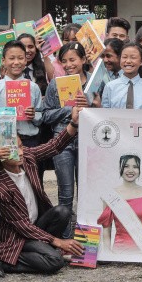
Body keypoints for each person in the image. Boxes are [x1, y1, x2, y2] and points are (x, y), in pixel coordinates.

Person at [0, 105, 86, 275]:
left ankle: (42, 249)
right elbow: (23, 227)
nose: (20, 152)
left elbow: (54, 146)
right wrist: (58, 241)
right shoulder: (0, 189)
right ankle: (6, 262)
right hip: (17, 237)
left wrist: (74, 124)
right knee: (55, 261)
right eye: (13, 148)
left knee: (63, 211)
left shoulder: (27, 157)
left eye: (20, 145)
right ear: (0, 153)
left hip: (36, 226)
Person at [42, 43, 92, 209]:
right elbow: (46, 115)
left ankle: (84, 231)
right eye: (64, 61)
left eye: (73, 59)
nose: (68, 64)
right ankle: (64, 233)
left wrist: (92, 105)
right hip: (62, 140)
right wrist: (69, 111)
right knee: (66, 190)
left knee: (87, 190)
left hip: (89, 141)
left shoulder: (94, 81)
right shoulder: (55, 84)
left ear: (83, 59)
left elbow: (105, 111)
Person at [98, 154, 142, 253]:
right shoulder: (111, 195)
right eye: (126, 166)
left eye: (135, 167)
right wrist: (107, 254)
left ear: (139, 170)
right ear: (120, 168)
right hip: (120, 252)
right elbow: (107, 229)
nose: (130, 170)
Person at [0, 41, 45, 149]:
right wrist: (0, 117)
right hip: (4, 139)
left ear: (25, 60)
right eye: (11, 58)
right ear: (3, 61)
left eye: (20, 58)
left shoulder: (33, 87)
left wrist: (34, 115)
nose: (16, 62)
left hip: (29, 140)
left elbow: (40, 115)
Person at [102, 42, 142, 109]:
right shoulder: (110, 87)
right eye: (124, 57)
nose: (128, 61)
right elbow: (105, 113)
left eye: (133, 57)